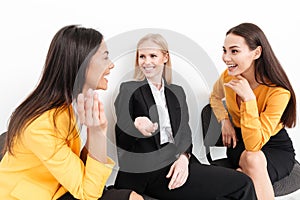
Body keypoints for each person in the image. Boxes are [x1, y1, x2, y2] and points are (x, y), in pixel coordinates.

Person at [0, 25, 143, 200]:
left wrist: (94, 131)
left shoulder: (72, 106)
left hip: (65, 184)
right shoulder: (41, 125)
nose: (111, 65)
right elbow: (88, 193)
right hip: (42, 193)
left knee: (134, 197)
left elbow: (81, 166)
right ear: (82, 63)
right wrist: (98, 133)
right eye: (105, 58)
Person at [113, 33, 257, 200]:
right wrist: (136, 125)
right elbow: (122, 136)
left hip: (178, 161)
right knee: (242, 184)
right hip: (149, 170)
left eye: (153, 56)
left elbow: (184, 133)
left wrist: (184, 157)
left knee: (236, 187)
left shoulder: (177, 92)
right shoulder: (129, 89)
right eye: (142, 56)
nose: (147, 61)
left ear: (165, 57)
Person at [210, 22, 296, 200]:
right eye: (224, 50)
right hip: (239, 144)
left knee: (251, 163)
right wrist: (224, 120)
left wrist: (249, 99)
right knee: (252, 159)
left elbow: (255, 145)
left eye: (234, 51)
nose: (226, 58)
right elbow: (214, 97)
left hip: (274, 147)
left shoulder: (279, 93)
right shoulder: (228, 76)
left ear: (256, 53)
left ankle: (242, 177)